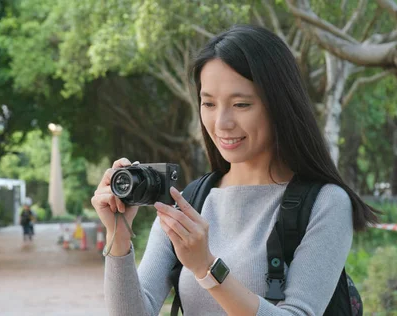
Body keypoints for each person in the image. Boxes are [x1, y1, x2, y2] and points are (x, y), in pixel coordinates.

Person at [91, 24, 380, 316]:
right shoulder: (189, 201)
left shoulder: (325, 202)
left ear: (279, 104)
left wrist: (207, 267)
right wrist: (119, 237)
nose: (221, 123)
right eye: (209, 103)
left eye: (241, 104)